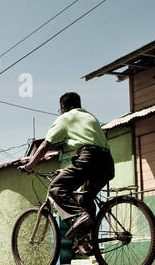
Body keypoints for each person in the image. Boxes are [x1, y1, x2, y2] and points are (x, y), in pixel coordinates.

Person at [21, 91, 113, 241]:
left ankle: (80, 216)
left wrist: (29, 165)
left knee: (56, 188)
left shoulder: (65, 118)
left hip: (88, 158)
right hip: (106, 162)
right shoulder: (90, 117)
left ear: (63, 107)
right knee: (84, 199)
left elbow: (45, 145)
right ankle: (89, 238)